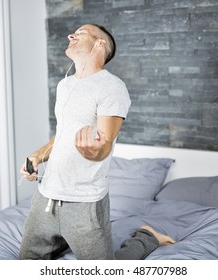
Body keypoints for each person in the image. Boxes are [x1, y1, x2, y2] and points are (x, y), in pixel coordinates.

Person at [19, 24, 175, 260]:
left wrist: (93, 152)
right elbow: (63, 134)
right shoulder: (65, 85)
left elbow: (104, 144)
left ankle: (146, 237)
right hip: (45, 197)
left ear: (99, 44)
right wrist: (38, 156)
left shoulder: (112, 87)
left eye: (80, 34)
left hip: (84, 203)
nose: (71, 35)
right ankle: (63, 238)